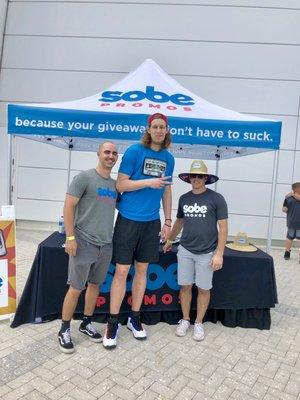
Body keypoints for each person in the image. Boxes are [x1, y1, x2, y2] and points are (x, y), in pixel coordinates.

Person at [103, 113, 175, 349]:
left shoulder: (169, 158)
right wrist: (146, 182)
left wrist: (167, 221)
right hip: (128, 220)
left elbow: (166, 190)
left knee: (142, 270)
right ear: (148, 129)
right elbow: (120, 184)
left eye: (162, 127)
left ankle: (134, 319)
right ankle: (112, 323)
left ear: (166, 130)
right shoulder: (135, 151)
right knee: (122, 272)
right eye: (154, 126)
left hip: (151, 222)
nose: (158, 130)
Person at [58, 142, 118, 353]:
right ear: (99, 154)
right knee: (76, 287)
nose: (111, 156)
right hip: (83, 241)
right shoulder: (84, 177)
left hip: (106, 245)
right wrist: (71, 236)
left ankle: (86, 323)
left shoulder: (114, 185)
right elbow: (68, 205)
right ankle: (64, 329)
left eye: (114, 153)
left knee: (95, 286)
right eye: (107, 152)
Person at [164, 160, 228, 341]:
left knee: (203, 288)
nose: (196, 179)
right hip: (185, 250)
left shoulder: (217, 198)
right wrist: (170, 240)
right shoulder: (184, 198)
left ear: (206, 178)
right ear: (189, 178)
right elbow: (179, 222)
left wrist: (219, 253)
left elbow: (223, 227)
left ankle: (198, 323)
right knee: (185, 286)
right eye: (193, 176)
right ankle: (185, 319)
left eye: (200, 176)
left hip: (207, 252)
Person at [282, 182, 300, 260]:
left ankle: (287, 252)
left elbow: (284, 209)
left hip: (291, 222)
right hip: (294, 222)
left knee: (289, 238)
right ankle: (287, 252)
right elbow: (284, 209)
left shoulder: (288, 198)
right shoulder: (288, 197)